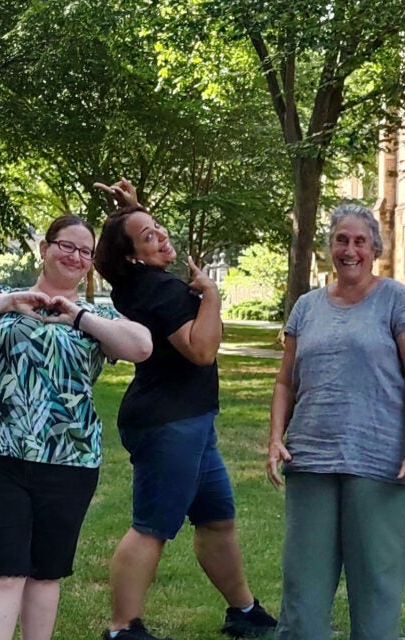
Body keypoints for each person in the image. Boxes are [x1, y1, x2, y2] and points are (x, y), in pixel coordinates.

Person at [0, 215, 152, 640]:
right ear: (45, 248)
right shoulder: (3, 302)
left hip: (70, 458)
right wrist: (10, 301)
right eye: (66, 245)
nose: (75, 257)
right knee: (3, 573)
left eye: (85, 252)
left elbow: (141, 346)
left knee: (46, 574)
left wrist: (78, 317)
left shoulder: (98, 315)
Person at [92, 179, 277, 640]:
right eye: (149, 235)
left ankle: (244, 612)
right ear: (134, 257)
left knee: (216, 518)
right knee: (152, 527)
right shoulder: (160, 290)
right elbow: (200, 350)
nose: (162, 235)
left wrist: (134, 213)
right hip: (169, 423)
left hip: (187, 419)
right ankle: (122, 628)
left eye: (158, 227)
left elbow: (135, 250)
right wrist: (211, 295)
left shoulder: (133, 283)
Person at [266, 203, 405, 640]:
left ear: (375, 249)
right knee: (302, 599)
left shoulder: (395, 299)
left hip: (381, 463)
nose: (350, 250)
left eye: (360, 241)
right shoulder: (306, 307)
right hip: (310, 460)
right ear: (330, 247)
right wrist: (275, 437)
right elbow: (285, 380)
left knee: (376, 595)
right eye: (342, 240)